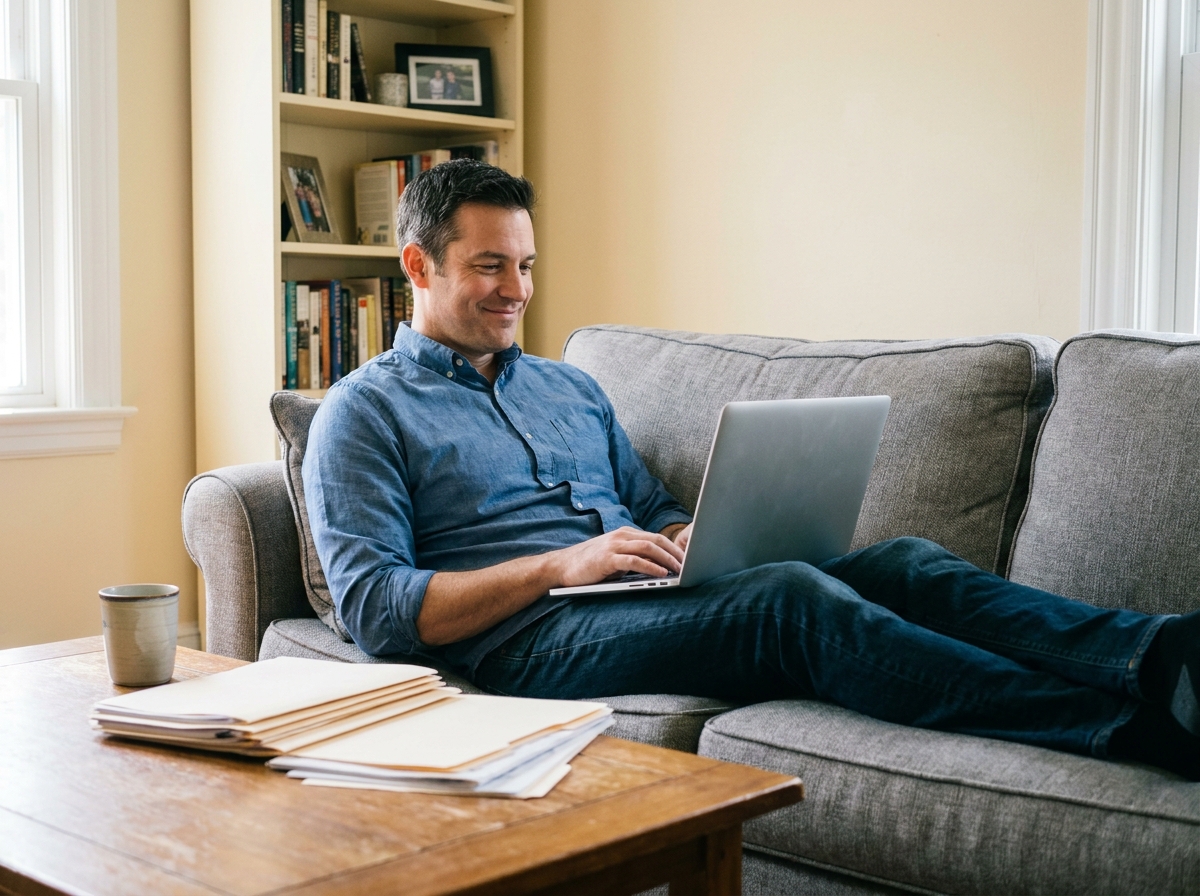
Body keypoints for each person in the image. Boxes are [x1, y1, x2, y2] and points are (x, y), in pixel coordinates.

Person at [303, 160, 1200, 779]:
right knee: (787, 602)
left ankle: (1157, 652)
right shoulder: (365, 410)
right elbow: (378, 612)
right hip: (521, 642)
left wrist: (681, 535)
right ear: (417, 264)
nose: (517, 289)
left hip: (630, 599)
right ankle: (1124, 728)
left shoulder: (569, 387)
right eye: (489, 266)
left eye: (528, 265)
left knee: (903, 563)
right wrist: (560, 565)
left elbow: (651, 506)